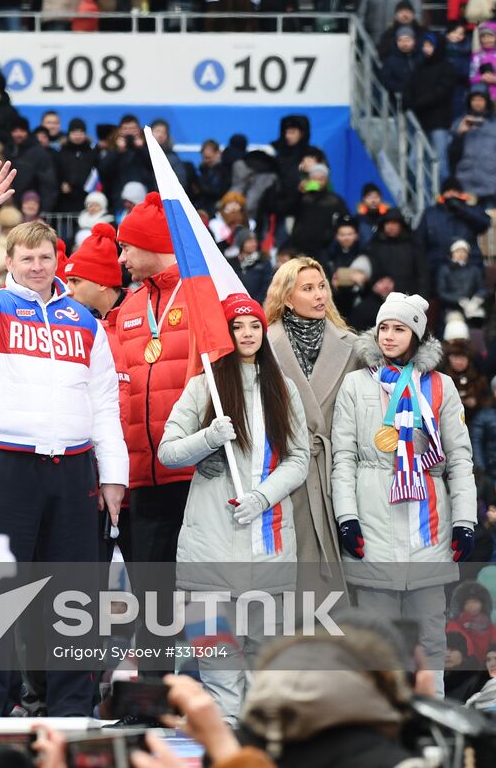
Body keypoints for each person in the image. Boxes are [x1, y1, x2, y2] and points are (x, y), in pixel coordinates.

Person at [0, 161, 126, 718]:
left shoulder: (84, 321)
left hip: (72, 470)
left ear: (58, 262)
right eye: (27, 258)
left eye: (46, 257)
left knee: (72, 596)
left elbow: (104, 403)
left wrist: (113, 474)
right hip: (6, 464)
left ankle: (71, 708)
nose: (38, 265)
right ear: (11, 263)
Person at [157, 294, 309, 721]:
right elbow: (167, 453)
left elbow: (299, 458)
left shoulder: (282, 387)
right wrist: (208, 437)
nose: (247, 333)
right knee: (218, 660)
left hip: (269, 544)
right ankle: (225, 738)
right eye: (238, 326)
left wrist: (263, 496)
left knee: (264, 659)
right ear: (224, 334)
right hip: (211, 547)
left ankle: (257, 742)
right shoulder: (202, 385)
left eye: (254, 326)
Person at [331, 292, 476, 695]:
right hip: (374, 521)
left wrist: (465, 520)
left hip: (428, 524)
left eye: (399, 328)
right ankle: (381, 724)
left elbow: (460, 459)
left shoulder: (441, 386)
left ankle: (431, 718)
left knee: (430, 639)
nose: (389, 336)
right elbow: (343, 458)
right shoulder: (356, 384)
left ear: (416, 335)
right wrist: (347, 517)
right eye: (383, 328)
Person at [264, 258, 360, 605]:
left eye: (322, 286)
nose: (319, 295)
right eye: (308, 289)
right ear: (287, 298)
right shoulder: (261, 346)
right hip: (284, 471)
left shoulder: (353, 346)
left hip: (337, 470)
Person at [112, 193, 190, 563]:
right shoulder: (128, 304)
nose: (121, 259)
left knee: (197, 598)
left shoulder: (201, 296)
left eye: (126, 247)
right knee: (151, 598)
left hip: (194, 472)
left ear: (152, 244)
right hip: (142, 476)